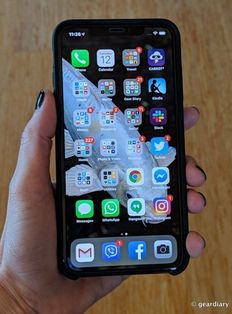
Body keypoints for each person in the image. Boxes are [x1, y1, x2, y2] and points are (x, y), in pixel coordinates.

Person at [0, 90, 207, 313]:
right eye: (129, 196)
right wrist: (18, 296)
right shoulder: (160, 161)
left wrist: (20, 296)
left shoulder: (156, 165)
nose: (151, 207)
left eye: (130, 197)